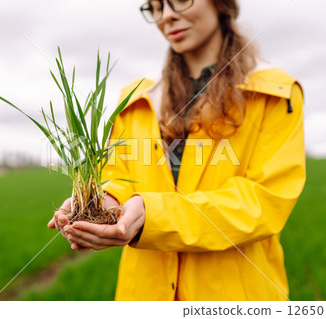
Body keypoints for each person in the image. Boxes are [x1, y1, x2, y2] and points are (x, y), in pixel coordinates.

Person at [47, 0, 305, 301]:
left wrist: (151, 216)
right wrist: (103, 200)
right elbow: (118, 175)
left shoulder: (275, 93)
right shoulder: (136, 99)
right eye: (155, 7)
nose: (167, 15)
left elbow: (264, 201)